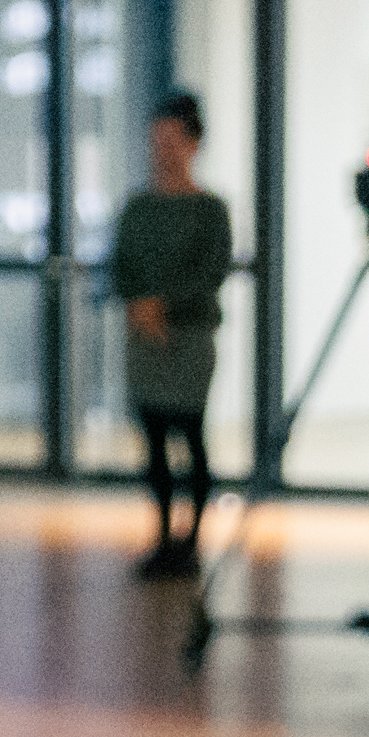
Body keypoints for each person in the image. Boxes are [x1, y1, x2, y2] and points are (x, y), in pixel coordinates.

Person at [108, 93, 238, 580]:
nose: (162, 151)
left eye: (172, 141)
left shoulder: (210, 211)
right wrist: (139, 304)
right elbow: (120, 265)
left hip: (189, 338)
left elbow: (211, 271)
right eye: (156, 141)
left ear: (193, 144)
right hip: (144, 340)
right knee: (155, 439)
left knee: (191, 432)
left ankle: (192, 540)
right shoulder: (137, 208)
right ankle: (163, 538)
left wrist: (164, 305)